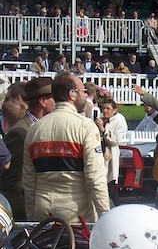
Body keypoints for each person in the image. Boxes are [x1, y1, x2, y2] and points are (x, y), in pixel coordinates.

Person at [22, 73, 110, 223]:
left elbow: (28, 181)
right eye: (84, 91)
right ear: (72, 94)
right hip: (76, 213)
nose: (86, 96)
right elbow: (95, 177)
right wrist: (106, 215)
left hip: (43, 210)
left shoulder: (34, 129)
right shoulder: (86, 127)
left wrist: (31, 218)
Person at [0, 76, 55, 220]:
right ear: (43, 102)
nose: (59, 102)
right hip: (23, 214)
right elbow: (11, 181)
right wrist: (25, 214)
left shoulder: (41, 127)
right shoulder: (20, 133)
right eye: (54, 98)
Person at [97, 99, 128, 205]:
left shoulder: (119, 121)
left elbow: (115, 140)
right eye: (103, 108)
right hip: (99, 153)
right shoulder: (103, 119)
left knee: (110, 183)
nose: (105, 111)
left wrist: (103, 130)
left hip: (110, 154)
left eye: (108, 109)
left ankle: (116, 206)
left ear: (114, 110)